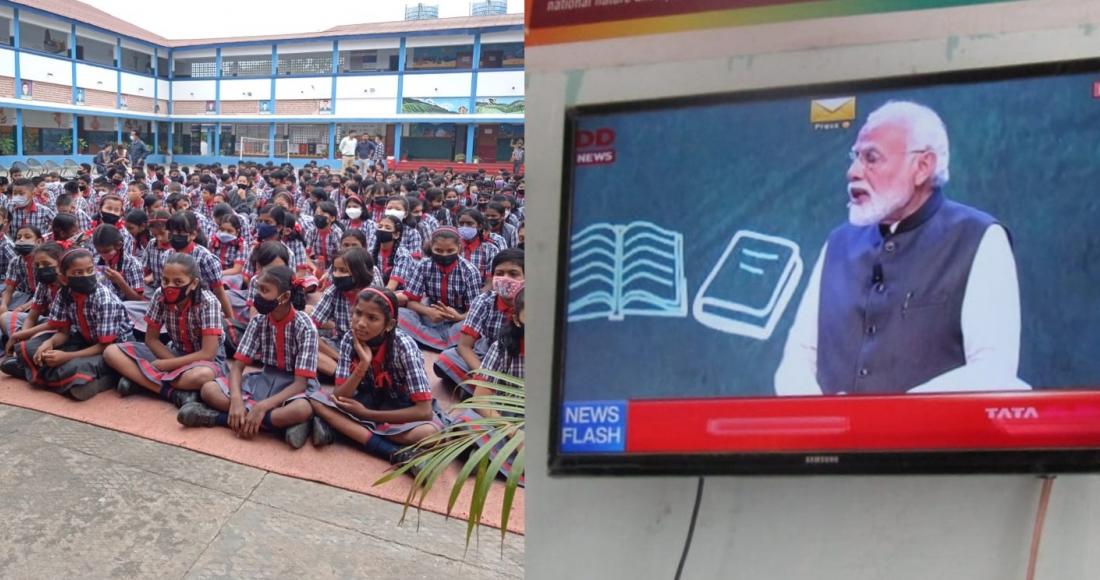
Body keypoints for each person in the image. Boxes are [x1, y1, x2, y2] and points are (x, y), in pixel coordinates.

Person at [774, 101, 1025, 396]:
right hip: (833, 441)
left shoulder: (978, 237)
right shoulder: (838, 243)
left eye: (871, 158)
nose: (853, 172)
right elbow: (800, 356)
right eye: (855, 157)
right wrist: (821, 418)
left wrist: (891, 417)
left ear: (922, 167)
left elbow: (994, 368)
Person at [177, 266, 316, 449]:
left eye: (265, 290)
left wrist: (263, 406)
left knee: (302, 409)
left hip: (293, 387)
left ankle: (218, 418)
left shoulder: (305, 326)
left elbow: (300, 384)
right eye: (258, 288)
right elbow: (237, 367)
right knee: (209, 389)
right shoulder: (258, 321)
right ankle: (278, 428)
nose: (258, 295)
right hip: (265, 378)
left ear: (285, 297)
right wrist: (236, 400)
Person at [308, 287, 443, 471]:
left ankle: (343, 430)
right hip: (368, 399)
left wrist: (366, 415)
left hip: (400, 408)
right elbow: (339, 396)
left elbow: (424, 411)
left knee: (429, 434)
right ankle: (393, 451)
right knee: (314, 398)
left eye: (372, 318)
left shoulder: (405, 347)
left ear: (389, 325)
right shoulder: (350, 338)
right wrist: (363, 366)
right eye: (358, 314)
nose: (361, 323)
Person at [5, 248, 132, 400]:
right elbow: (63, 333)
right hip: (83, 340)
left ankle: (105, 380)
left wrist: (66, 356)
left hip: (111, 348)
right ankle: (59, 379)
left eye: (90, 270)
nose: (86, 276)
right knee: (26, 348)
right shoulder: (64, 293)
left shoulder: (104, 300)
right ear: (64, 279)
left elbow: (105, 345)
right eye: (78, 273)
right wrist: (49, 343)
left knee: (74, 367)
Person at [105, 253, 228, 408]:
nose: (170, 286)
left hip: (204, 361)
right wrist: (170, 361)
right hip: (173, 352)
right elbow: (151, 339)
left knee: (202, 376)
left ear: (194, 283)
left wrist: (169, 364)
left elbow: (207, 354)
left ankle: (143, 382)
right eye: (165, 280)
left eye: (178, 282)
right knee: (111, 352)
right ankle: (173, 393)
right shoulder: (159, 295)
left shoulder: (208, 302)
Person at [435, 249, 524, 393]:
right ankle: (490, 393)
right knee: (446, 359)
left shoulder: (535, 304)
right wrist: (485, 378)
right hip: (487, 359)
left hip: (521, 364)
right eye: (499, 273)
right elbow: (464, 346)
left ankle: (483, 395)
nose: (505, 278)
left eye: (513, 274)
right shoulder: (484, 301)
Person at [397, 227, 482, 351]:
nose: (444, 255)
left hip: (458, 319)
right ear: (431, 247)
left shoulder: (470, 271)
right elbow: (411, 302)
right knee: (400, 313)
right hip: (429, 315)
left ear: (459, 248)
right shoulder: (423, 266)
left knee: (473, 326)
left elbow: (475, 311)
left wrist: (457, 317)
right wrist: (428, 312)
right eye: (438, 250)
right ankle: (446, 344)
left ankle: (426, 341)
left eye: (450, 250)